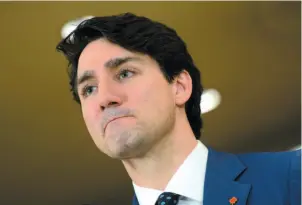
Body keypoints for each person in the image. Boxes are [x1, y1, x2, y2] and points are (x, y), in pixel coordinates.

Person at [56, 12, 301, 205]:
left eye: (124, 73)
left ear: (180, 86)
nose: (104, 98)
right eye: (89, 89)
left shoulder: (292, 177)